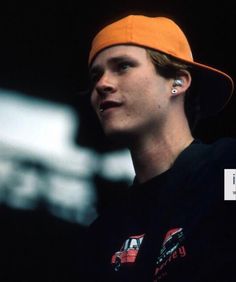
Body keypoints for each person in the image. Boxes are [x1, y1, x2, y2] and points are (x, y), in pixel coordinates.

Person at [81, 14, 236, 282]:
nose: (101, 84)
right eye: (96, 74)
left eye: (123, 66)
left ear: (178, 81)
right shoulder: (103, 234)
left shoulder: (228, 169)